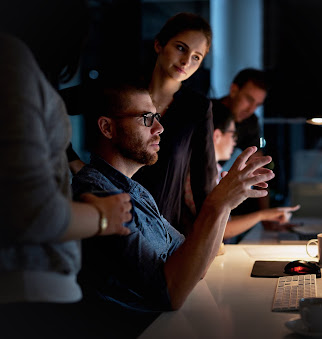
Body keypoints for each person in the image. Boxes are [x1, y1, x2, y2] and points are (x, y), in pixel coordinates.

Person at [71, 83, 274, 330]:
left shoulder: (137, 190)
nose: (159, 128)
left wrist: (227, 201)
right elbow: (171, 294)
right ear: (107, 128)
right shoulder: (97, 193)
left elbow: (194, 266)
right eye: (146, 119)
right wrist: (218, 205)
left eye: (156, 117)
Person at [0, 1, 133, 337]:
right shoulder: (12, 63)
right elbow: (32, 212)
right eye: (147, 118)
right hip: (29, 294)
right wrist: (103, 216)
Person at [132, 13, 217, 236]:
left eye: (197, 57)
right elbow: (55, 107)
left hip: (164, 233)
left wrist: (210, 235)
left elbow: (204, 184)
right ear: (159, 44)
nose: (186, 61)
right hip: (111, 222)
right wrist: (74, 163)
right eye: (181, 48)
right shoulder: (125, 93)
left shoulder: (197, 108)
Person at [212, 107, 300, 241]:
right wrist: (263, 215)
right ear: (217, 136)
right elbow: (221, 228)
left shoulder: (216, 170)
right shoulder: (205, 175)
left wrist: (265, 215)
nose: (235, 141)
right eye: (233, 134)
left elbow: (222, 222)